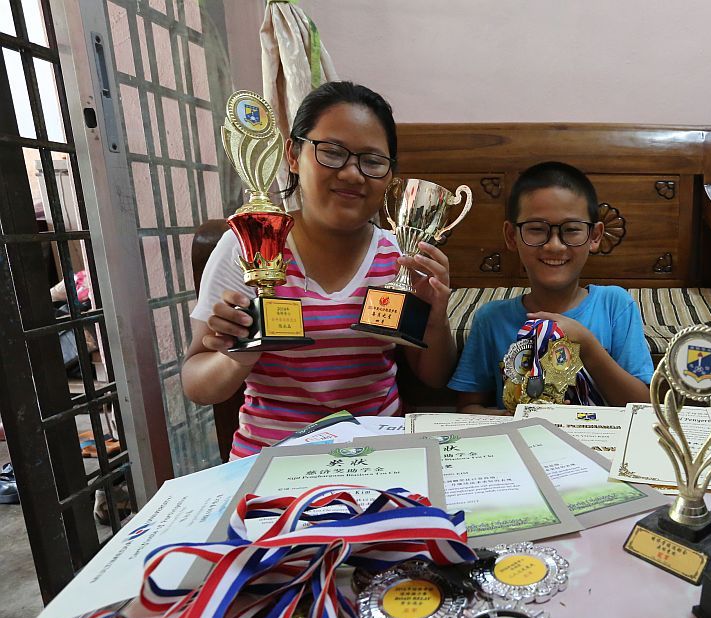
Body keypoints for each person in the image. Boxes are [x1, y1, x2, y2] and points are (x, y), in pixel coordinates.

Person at [182, 82, 455, 458]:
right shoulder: (250, 244)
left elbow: (434, 377)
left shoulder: (401, 258)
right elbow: (197, 385)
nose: (352, 174)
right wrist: (237, 355)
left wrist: (436, 321)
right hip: (269, 463)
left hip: (379, 459)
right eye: (331, 152)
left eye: (372, 161)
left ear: (390, 175)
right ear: (294, 154)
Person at [449, 162, 652, 413]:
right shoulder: (491, 319)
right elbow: (468, 407)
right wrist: (515, 415)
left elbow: (643, 407)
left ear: (595, 236)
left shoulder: (615, 305)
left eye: (571, 230)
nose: (554, 246)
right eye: (536, 229)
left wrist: (586, 346)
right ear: (512, 236)